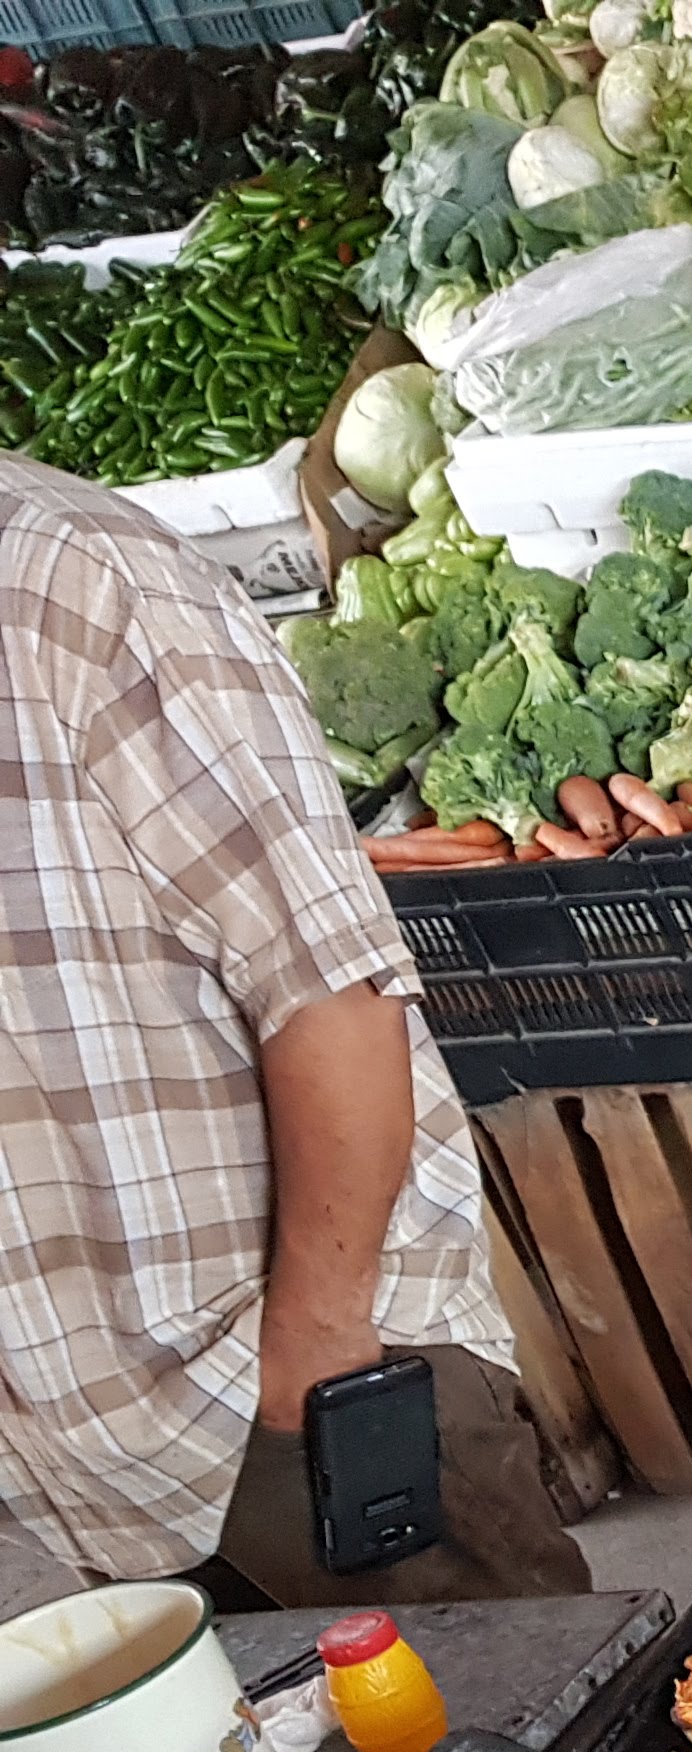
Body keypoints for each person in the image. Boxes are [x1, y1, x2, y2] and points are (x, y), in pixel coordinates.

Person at [0, 451, 587, 1611]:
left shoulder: (76, 580)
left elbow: (330, 993)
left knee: (530, 1748)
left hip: (273, 1385)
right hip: (66, 1452)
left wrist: (311, 1356)